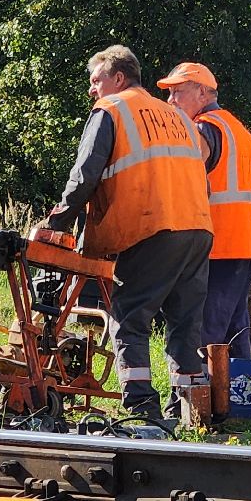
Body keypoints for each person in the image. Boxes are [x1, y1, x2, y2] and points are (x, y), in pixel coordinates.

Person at [46, 45, 213, 420]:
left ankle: (142, 408)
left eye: (96, 80)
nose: (92, 89)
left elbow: (85, 175)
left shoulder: (111, 110)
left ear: (118, 78)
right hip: (198, 228)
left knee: (128, 317)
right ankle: (191, 413)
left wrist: (56, 222)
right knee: (185, 323)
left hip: (152, 227)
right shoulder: (178, 117)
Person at [158, 62, 251, 358]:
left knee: (203, 334)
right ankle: (241, 388)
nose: (171, 100)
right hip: (241, 246)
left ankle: (195, 388)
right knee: (235, 334)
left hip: (215, 247)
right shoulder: (239, 131)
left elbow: (184, 173)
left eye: (178, 92)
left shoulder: (204, 128)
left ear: (202, 93)